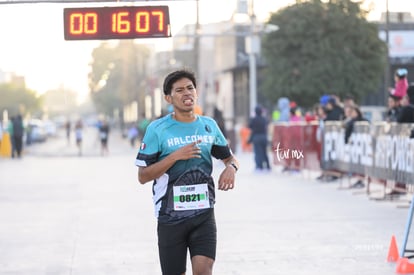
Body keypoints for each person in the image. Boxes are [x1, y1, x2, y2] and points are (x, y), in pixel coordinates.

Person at [135, 69, 239, 275]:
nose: (187, 93)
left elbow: (230, 158)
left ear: (196, 92)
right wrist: (175, 156)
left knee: (204, 269)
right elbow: (143, 176)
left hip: (204, 213)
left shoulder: (209, 126)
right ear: (168, 97)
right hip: (170, 216)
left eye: (190, 88)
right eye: (180, 90)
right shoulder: (157, 129)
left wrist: (231, 168)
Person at [249, 105, 271, 172]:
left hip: (256, 137)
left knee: (258, 152)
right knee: (264, 152)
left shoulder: (254, 119)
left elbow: (250, 126)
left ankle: (259, 166)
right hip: (264, 137)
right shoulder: (264, 119)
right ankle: (267, 166)